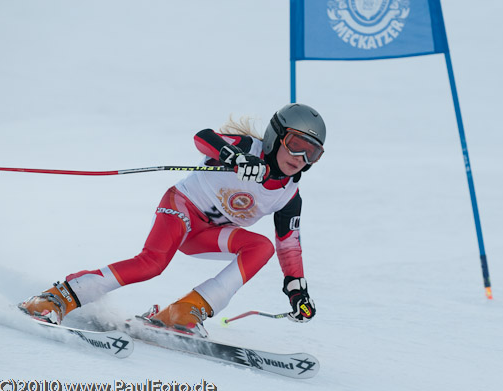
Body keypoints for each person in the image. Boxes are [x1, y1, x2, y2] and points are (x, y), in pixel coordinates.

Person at [19, 103, 326, 336]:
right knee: (152, 263)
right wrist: (234, 157)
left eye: (311, 154)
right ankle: (57, 297)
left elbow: (290, 246)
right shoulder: (248, 149)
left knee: (262, 247)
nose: (300, 158)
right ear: (276, 137)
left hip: (207, 234)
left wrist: (296, 290)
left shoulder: (289, 195)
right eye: (296, 144)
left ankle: (184, 311)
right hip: (181, 208)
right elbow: (204, 138)